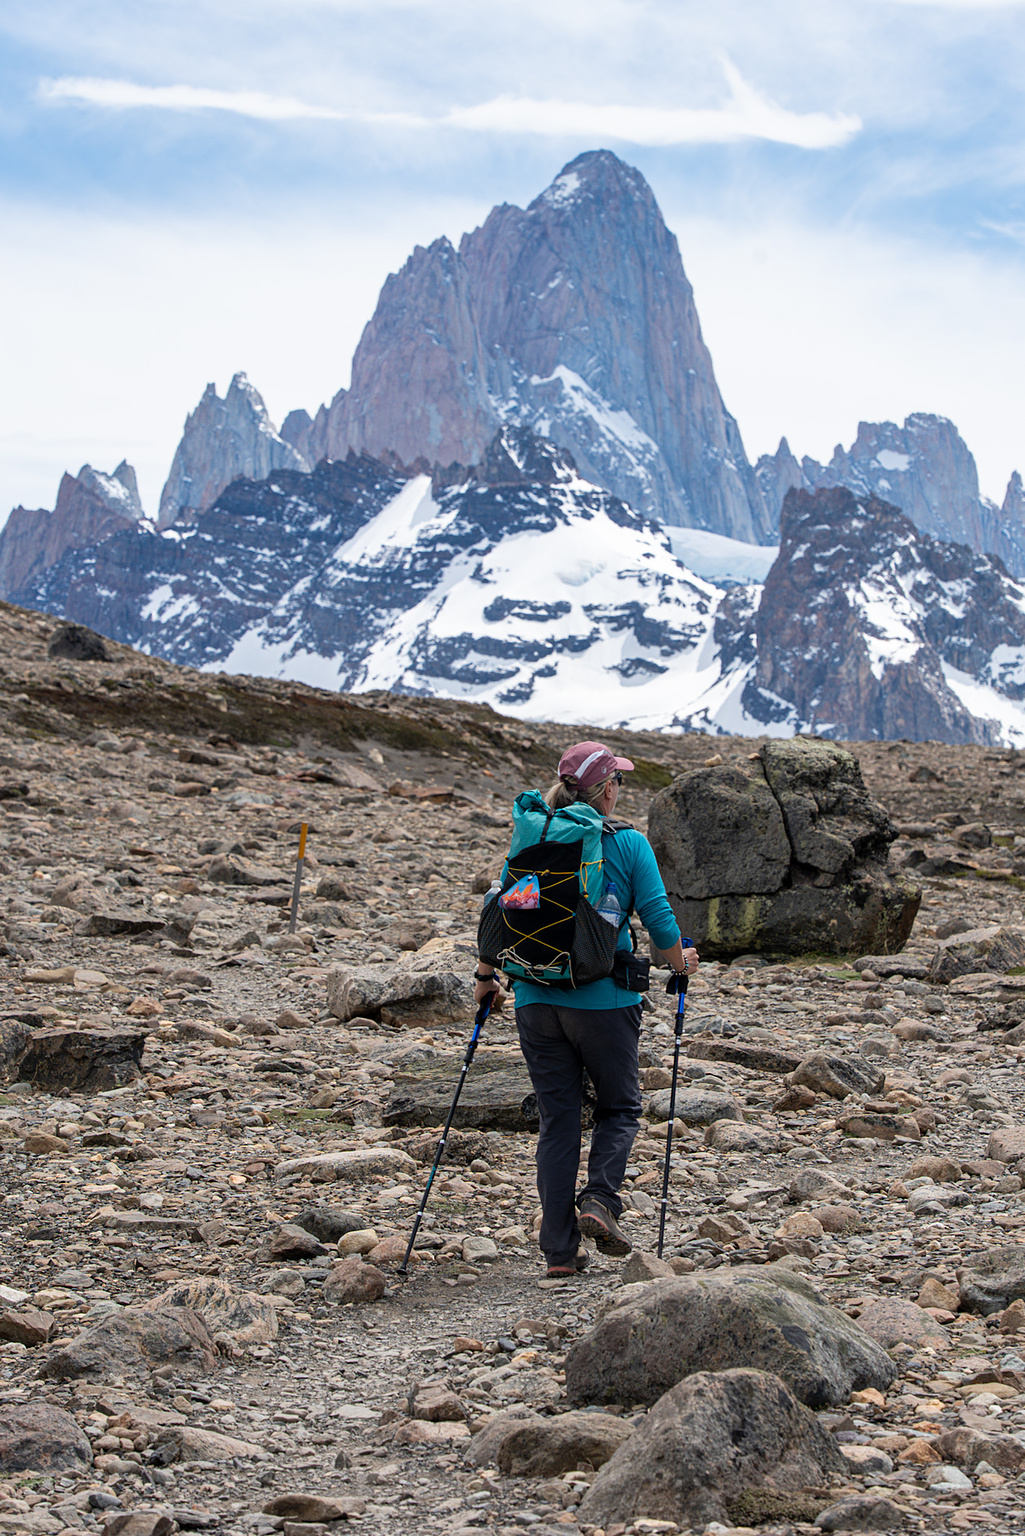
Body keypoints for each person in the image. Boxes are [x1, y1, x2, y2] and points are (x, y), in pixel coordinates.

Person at [474, 740, 698, 1279]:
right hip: (605, 1001)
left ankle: (559, 1253)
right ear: (607, 789)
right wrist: (681, 963)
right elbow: (659, 920)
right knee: (619, 1108)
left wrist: (485, 976)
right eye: (618, 779)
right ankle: (599, 1200)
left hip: (533, 997)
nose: (620, 787)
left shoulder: (535, 834)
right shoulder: (627, 842)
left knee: (558, 1121)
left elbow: (500, 908)